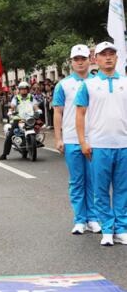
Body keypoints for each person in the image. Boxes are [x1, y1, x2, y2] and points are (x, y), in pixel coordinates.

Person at [75, 41, 127, 246]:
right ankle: (107, 228)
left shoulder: (125, 82)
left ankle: (121, 229)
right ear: (95, 59)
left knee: (123, 190)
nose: (108, 57)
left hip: (123, 144)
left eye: (111, 54)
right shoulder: (88, 85)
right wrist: (83, 142)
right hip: (99, 145)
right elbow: (80, 115)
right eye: (103, 54)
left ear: (116, 57)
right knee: (101, 190)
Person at [53, 44, 100, 235]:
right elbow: (58, 111)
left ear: (90, 60)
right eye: (76, 59)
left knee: (94, 180)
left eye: (83, 59)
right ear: (71, 62)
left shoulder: (98, 82)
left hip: (95, 139)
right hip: (72, 139)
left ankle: (93, 218)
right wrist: (58, 138)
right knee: (77, 181)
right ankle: (80, 219)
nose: (80, 62)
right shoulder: (63, 85)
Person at [0, 81, 39, 160]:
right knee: (10, 135)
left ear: (28, 89)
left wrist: (38, 110)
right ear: (19, 90)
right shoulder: (16, 98)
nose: (24, 90)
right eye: (22, 89)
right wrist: (11, 111)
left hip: (29, 118)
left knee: (38, 127)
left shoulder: (31, 97)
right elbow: (12, 106)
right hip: (18, 119)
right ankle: (4, 154)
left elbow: (35, 105)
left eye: (25, 89)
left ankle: (35, 141)